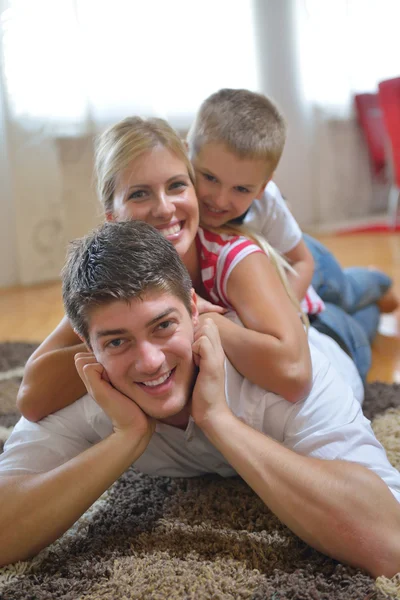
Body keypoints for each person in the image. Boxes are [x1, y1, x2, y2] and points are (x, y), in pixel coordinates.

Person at [1, 220, 400, 576]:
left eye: (163, 325)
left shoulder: (273, 377)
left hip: (335, 340)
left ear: (196, 309)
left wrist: (219, 419)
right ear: (86, 347)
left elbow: (389, 540)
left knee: (354, 309)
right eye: (117, 341)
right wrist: (126, 437)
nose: (150, 361)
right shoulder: (89, 389)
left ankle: (369, 281)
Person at [17, 116, 314, 423]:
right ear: (112, 218)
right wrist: (116, 344)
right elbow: (30, 399)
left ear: (194, 190)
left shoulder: (231, 257)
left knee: (349, 303)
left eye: (176, 186)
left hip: (303, 286)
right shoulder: (113, 277)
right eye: (139, 194)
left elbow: (295, 376)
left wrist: (201, 318)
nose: (164, 208)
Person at [187, 88, 399, 381]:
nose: (220, 200)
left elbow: (304, 262)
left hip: (298, 258)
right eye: (210, 177)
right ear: (189, 157)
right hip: (268, 267)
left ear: (262, 187)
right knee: (344, 320)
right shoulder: (177, 196)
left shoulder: (268, 202)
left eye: (241, 189)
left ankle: (377, 279)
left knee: (345, 290)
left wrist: (283, 312)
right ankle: (373, 306)